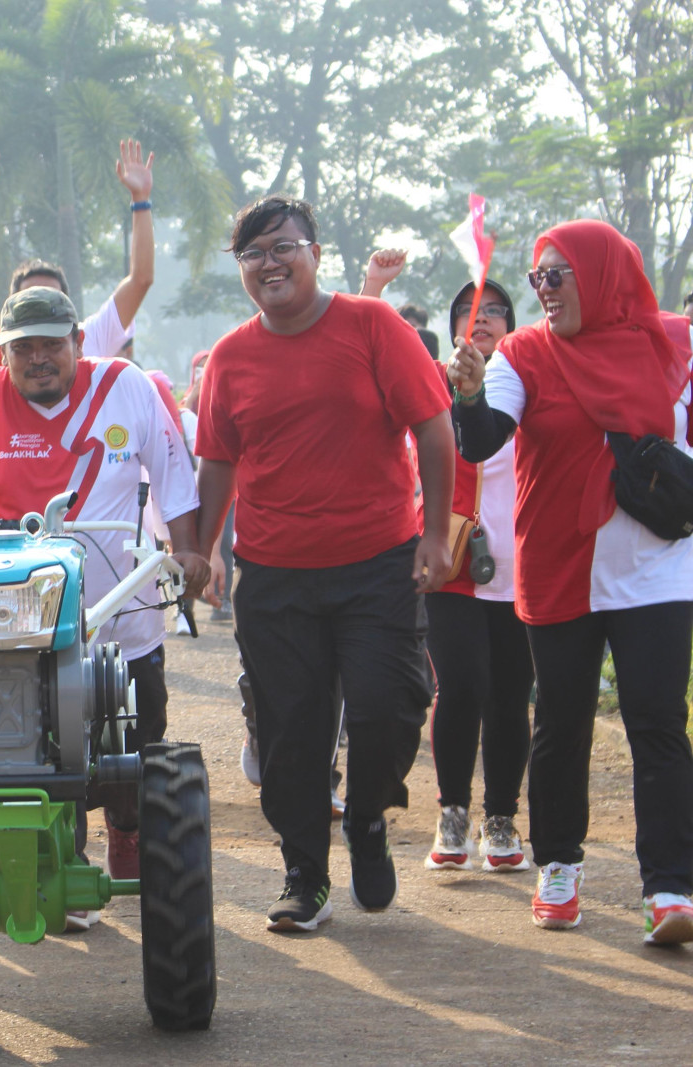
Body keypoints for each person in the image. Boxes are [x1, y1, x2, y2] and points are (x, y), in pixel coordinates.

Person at [193, 195, 453, 934]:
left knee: (389, 703)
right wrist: (208, 547)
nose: (269, 263)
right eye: (253, 254)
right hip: (274, 571)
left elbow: (434, 430)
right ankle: (304, 872)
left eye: (283, 246)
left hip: (378, 560)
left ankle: (367, 813)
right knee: (289, 729)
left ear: (315, 251)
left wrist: (436, 534)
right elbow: (218, 460)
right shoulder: (233, 357)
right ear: (241, 269)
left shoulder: (374, 326)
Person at [0, 286, 207, 922]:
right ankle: (52, 859)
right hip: (12, 619)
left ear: (78, 341)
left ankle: (128, 824)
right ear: (4, 353)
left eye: (52, 344)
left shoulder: (125, 386)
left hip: (119, 611)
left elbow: (174, 472)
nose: (39, 358)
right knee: (29, 739)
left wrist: (191, 550)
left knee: (133, 736)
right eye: (24, 348)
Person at [449, 219, 693, 944]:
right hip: (561, 562)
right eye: (538, 279)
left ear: (606, 274)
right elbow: (484, 436)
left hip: (657, 564)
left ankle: (671, 886)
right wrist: (466, 398)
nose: (545, 291)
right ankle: (559, 864)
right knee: (561, 722)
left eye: (559, 275)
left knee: (656, 720)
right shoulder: (523, 353)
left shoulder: (676, 342)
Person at [415, 280, 535, 873]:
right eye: (467, 310)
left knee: (511, 694)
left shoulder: (531, 374)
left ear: (512, 322)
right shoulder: (435, 378)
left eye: (493, 310)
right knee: (459, 684)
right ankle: (454, 812)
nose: (480, 318)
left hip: (523, 563)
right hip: (454, 555)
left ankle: (501, 818)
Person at [0, 141, 155, 371]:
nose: (39, 357)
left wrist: (141, 199)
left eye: (51, 298)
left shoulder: (90, 340)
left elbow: (141, 279)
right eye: (30, 298)